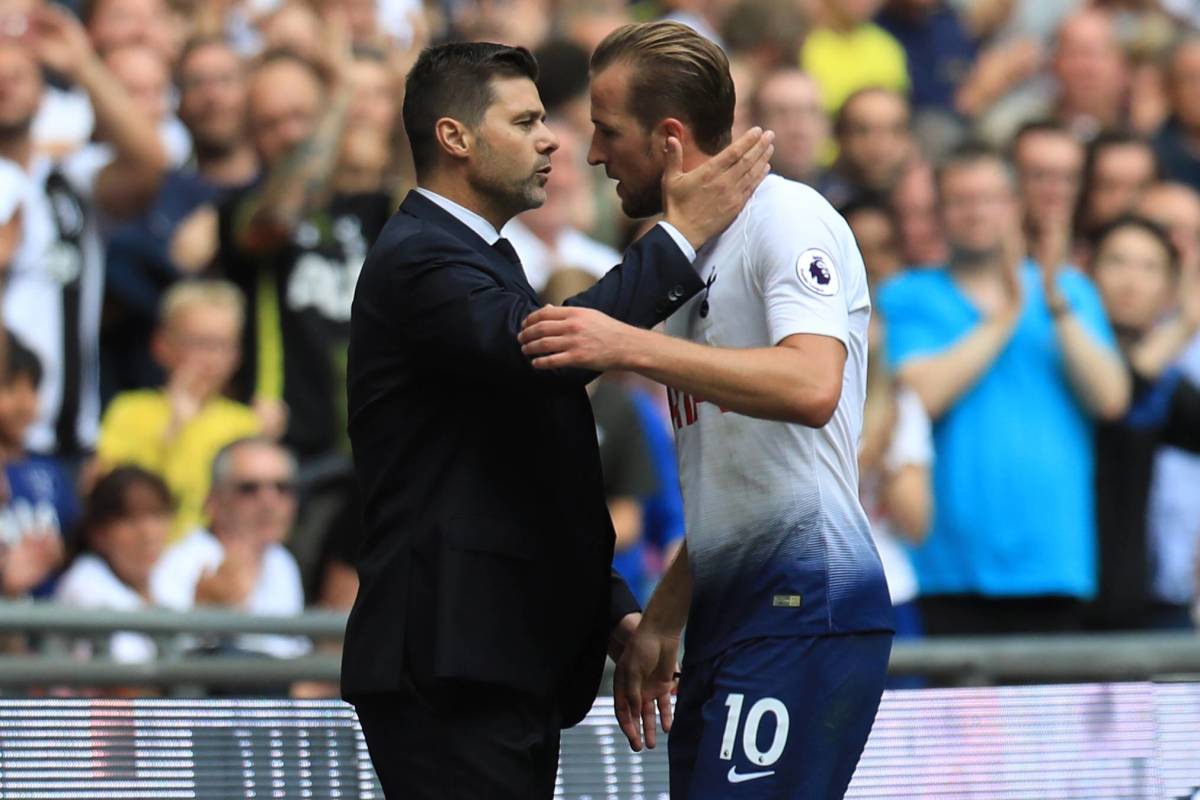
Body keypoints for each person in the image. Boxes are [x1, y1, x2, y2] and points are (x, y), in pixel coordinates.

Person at [342, 38, 772, 800]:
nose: (553, 140)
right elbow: (543, 354)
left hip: (495, 658)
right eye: (527, 120)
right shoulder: (420, 257)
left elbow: (517, 473)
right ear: (455, 137)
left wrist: (610, 611)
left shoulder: (481, 260)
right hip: (451, 662)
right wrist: (676, 237)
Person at [519, 22, 892, 799]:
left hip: (806, 606)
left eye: (606, 131)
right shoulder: (692, 259)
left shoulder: (787, 219)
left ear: (669, 139)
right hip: (733, 614)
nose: (592, 154)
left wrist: (629, 345)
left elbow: (812, 386)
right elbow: (745, 483)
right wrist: (664, 616)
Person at [877, 144, 1129, 636]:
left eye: (990, 198)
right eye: (960, 200)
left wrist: (1053, 302)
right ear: (940, 213)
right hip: (944, 568)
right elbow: (920, 396)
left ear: (1016, 205)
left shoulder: (1070, 290)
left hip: (1053, 561)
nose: (976, 212)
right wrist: (1008, 314)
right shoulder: (907, 294)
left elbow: (1111, 398)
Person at [0, 7, 167, 466]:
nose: (6, 84)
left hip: (67, 442)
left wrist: (84, 64)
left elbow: (150, 162)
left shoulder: (70, 180)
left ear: (44, 96)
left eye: (19, 75)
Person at [1087, 215, 1200, 629]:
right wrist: (1182, 327)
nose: (1130, 282)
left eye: (1150, 268)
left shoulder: (1165, 384)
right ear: (1087, 272)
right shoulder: (1060, 354)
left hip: (1132, 603)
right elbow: (1114, 400)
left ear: (1170, 288)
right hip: (1052, 602)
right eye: (1117, 262)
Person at [95, 280, 261, 541]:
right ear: (162, 345)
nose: (211, 357)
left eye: (222, 345)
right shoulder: (129, 410)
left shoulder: (244, 423)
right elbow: (116, 498)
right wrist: (174, 427)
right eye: (199, 343)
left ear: (237, 355)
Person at [150, 437, 309, 659]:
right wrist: (203, 613)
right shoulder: (180, 563)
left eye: (282, 488)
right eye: (249, 489)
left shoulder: (281, 560)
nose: (269, 501)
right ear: (214, 501)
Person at [55, 466, 172, 665]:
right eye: (130, 519)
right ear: (99, 533)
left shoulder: (170, 573)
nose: (147, 533)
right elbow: (126, 682)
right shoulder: (85, 581)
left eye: (156, 515)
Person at [0, 336, 71, 598]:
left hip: (46, 618)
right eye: (9, 388)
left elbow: (71, 539)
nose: (24, 403)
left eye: (33, 389)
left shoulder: (49, 471)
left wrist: (59, 553)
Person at [821, 87, 914, 208]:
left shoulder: (932, 204)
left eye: (894, 131)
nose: (879, 143)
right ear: (839, 137)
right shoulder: (816, 204)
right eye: (862, 131)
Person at [751, 68, 829, 187]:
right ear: (756, 123)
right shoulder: (735, 197)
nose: (797, 129)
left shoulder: (850, 197)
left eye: (809, 112)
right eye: (781, 114)